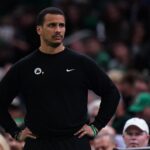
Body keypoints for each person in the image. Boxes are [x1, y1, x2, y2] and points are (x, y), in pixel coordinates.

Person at [0, 7, 120, 150]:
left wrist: (96, 126)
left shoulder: (81, 63)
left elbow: (112, 93)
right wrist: (15, 132)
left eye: (61, 25)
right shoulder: (24, 67)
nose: (58, 30)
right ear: (39, 29)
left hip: (75, 142)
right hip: (39, 143)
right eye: (52, 25)